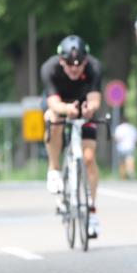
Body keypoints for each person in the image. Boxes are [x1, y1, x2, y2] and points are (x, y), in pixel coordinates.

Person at [41, 35, 104, 237]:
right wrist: (67, 109)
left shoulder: (94, 67)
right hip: (60, 104)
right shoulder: (50, 68)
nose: (74, 69)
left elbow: (95, 98)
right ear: (61, 61)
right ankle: (54, 169)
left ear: (86, 61)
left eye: (79, 64)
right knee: (53, 120)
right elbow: (53, 102)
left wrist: (89, 109)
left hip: (83, 106)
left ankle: (91, 211)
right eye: (69, 64)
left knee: (89, 158)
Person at [114, 116, 137, 180]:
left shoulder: (119, 128)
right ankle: (131, 172)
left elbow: (117, 138)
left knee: (122, 163)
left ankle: (123, 177)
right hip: (130, 146)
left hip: (121, 147)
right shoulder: (132, 128)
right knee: (130, 160)